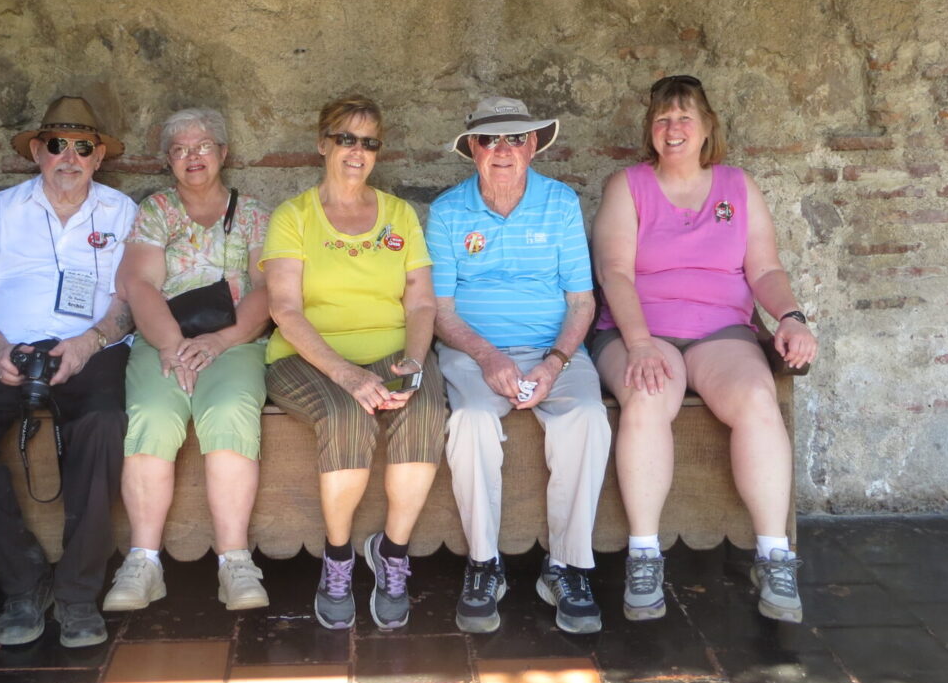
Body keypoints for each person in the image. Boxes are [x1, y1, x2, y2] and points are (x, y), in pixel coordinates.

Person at [589, 75, 818, 624]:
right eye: (663, 119)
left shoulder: (738, 188)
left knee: (759, 400)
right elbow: (614, 271)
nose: (673, 129)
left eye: (684, 117)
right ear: (651, 129)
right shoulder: (629, 185)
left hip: (721, 332)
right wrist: (640, 342)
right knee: (647, 396)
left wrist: (790, 316)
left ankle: (774, 555)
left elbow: (763, 268)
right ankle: (645, 554)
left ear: (706, 127)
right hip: (638, 330)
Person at [0, 96, 138, 648]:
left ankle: (76, 592)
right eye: (57, 145)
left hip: (91, 348)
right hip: (8, 348)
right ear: (38, 152)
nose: (69, 156)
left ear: (97, 158)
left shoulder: (121, 212)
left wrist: (88, 343)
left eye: (83, 147)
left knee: (104, 423)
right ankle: (23, 581)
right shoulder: (3, 208)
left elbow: (130, 299)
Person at [260, 95, 447, 631]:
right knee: (345, 414)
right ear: (323, 144)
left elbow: (421, 302)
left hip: (392, 350)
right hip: (309, 356)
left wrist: (413, 362)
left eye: (369, 142)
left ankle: (392, 554)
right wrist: (345, 373)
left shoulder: (399, 214)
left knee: (427, 408)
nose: (356, 151)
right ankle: (338, 560)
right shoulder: (293, 216)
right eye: (345, 138)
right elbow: (284, 309)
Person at [428, 96, 610, 636]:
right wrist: (487, 356)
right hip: (471, 352)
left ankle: (566, 567)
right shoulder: (447, 211)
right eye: (490, 140)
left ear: (533, 145)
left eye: (514, 139)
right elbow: (440, 311)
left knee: (587, 418)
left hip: (556, 349)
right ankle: (485, 565)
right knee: (472, 422)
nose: (502, 150)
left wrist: (555, 363)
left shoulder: (560, 203)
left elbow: (582, 302)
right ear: (473, 151)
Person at [102, 109, 273, 614]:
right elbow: (139, 284)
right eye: (180, 149)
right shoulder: (156, 210)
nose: (192, 157)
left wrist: (222, 341)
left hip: (235, 341)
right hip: (163, 340)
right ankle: (143, 562)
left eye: (202, 147)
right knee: (152, 416)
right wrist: (173, 344)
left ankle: (235, 563)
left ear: (223, 154)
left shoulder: (255, 214)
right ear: (169, 161)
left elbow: (269, 290)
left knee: (229, 411)